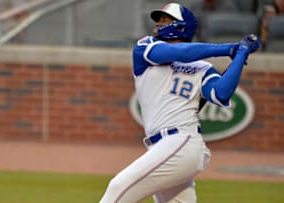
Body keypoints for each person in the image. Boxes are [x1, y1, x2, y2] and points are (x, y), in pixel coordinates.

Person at [100, 3, 260, 203]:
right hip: (162, 147)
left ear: (182, 26)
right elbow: (181, 53)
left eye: (166, 19)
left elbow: (220, 94)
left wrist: (241, 55)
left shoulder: (202, 67)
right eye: (159, 19)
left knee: (118, 187)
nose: (159, 23)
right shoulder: (145, 46)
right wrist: (228, 49)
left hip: (182, 141)